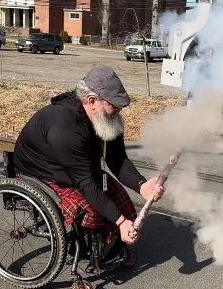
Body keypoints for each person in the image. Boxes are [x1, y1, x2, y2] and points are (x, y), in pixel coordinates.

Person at [13, 66, 164, 251]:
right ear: (92, 101)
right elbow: (85, 183)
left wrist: (142, 185)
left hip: (77, 168)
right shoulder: (65, 126)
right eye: (113, 105)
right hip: (41, 171)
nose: (118, 110)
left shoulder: (107, 118)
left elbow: (117, 158)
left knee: (122, 201)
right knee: (92, 212)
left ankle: (111, 247)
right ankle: (86, 251)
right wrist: (121, 222)